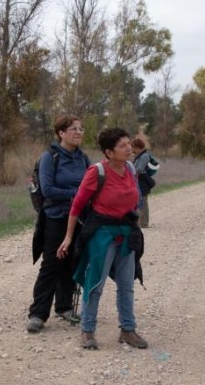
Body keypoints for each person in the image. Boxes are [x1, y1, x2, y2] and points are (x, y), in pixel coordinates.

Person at [57, 127, 147, 350]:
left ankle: (128, 329)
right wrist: (68, 237)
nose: (129, 148)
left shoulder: (130, 169)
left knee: (126, 285)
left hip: (126, 233)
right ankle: (87, 331)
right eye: (123, 146)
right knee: (95, 284)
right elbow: (77, 205)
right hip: (101, 235)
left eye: (129, 144)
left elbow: (136, 200)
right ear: (109, 152)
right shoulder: (97, 172)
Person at [26, 115, 91, 333]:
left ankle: (64, 307)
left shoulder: (83, 159)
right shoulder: (50, 157)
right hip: (55, 217)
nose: (79, 132)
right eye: (73, 129)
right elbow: (47, 190)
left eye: (81, 129)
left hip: (79, 218)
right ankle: (38, 313)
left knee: (72, 262)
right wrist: (77, 195)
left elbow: (92, 187)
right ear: (61, 133)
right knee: (52, 263)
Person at [130, 137, 156, 228]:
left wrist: (129, 172)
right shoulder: (138, 156)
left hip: (143, 181)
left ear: (137, 147)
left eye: (133, 147)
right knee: (138, 202)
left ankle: (144, 223)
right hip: (138, 181)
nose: (131, 149)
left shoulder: (144, 156)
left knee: (143, 202)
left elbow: (140, 169)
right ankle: (139, 222)